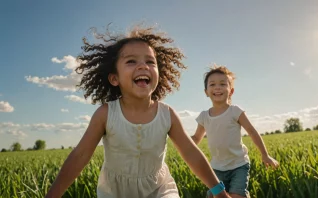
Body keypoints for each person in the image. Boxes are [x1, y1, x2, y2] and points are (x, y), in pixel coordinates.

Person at [45, 25, 230, 198]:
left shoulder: (167, 114)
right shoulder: (106, 114)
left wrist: (219, 192)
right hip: (114, 192)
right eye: (131, 61)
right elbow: (80, 155)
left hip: (160, 189)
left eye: (150, 61)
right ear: (114, 78)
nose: (143, 66)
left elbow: (191, 152)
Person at [191, 65, 279, 198]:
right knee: (215, 196)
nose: (217, 87)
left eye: (222, 84)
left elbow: (252, 131)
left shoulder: (235, 111)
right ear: (206, 91)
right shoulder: (204, 116)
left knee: (236, 195)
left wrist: (264, 155)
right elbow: (196, 137)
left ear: (231, 91)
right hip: (215, 169)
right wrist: (181, 145)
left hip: (239, 165)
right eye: (212, 84)